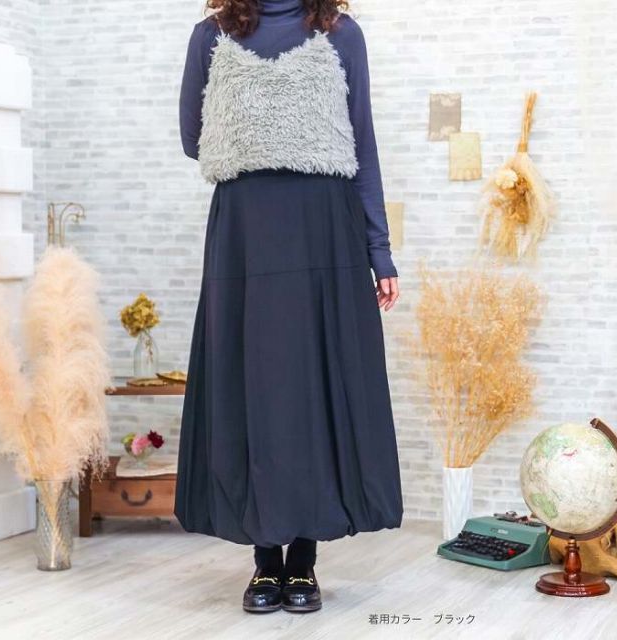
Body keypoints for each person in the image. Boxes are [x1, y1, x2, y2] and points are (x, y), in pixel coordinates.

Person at [174, 0, 404, 614]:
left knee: (311, 389)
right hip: (246, 235)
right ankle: (264, 562)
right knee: (252, 388)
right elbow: (194, 138)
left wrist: (379, 249)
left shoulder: (340, 34)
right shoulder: (210, 36)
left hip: (323, 233)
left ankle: (302, 560)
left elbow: (362, 143)